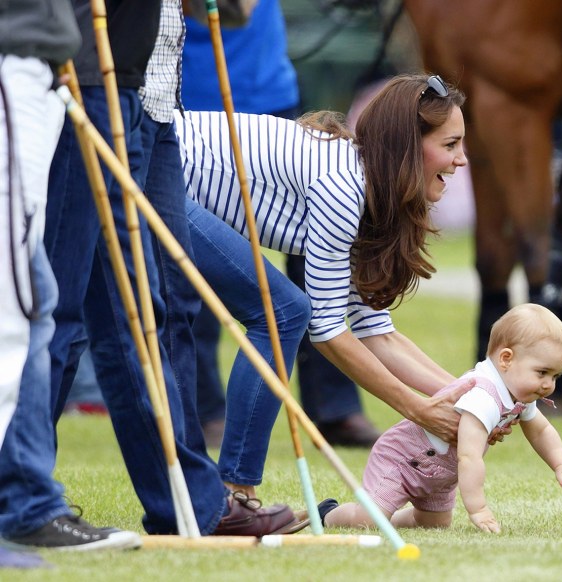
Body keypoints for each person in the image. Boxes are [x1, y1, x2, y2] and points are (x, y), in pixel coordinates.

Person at [0, 0, 304, 545]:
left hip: (153, 93)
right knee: (65, 307)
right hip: (93, 77)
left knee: (150, 309)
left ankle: (188, 501)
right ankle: (23, 495)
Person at [174, 73, 483, 498]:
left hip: (164, 175)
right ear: (408, 148)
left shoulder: (366, 185)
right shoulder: (344, 188)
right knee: (287, 313)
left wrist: (474, 399)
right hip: (159, 176)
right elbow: (327, 331)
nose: (462, 159)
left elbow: (378, 333)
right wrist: (417, 409)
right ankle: (236, 492)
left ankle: (234, 491)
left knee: (286, 311)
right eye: (450, 145)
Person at [181, 0, 380, 450]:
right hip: (192, 103)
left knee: (321, 251)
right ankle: (207, 408)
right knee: (200, 258)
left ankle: (334, 406)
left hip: (267, 87)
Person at [0, 0, 142, 562]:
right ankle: (25, 506)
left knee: (32, 300)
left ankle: (27, 503)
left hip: (37, 72)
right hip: (15, 66)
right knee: (18, 305)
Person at [319, 303, 562, 533]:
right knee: (370, 520)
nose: (548, 385)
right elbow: (469, 456)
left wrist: (561, 464)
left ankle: (392, 517)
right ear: (506, 359)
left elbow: (541, 431)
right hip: (404, 460)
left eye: (555, 376)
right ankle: (329, 515)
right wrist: (478, 508)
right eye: (542, 373)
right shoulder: (482, 395)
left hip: (440, 474)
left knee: (432, 524)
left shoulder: (518, 393)